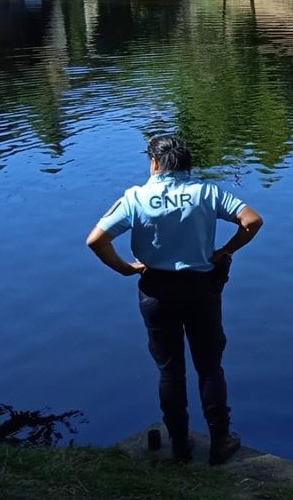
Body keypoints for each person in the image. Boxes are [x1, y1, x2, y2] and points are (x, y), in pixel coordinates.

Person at [86, 134, 263, 465]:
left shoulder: (135, 197)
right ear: (188, 164)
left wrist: (125, 269)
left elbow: (96, 240)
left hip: (156, 291)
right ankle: (220, 442)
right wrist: (226, 250)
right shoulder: (207, 192)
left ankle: (180, 445)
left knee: (170, 370)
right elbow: (252, 221)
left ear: (153, 163)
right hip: (201, 289)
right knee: (209, 367)